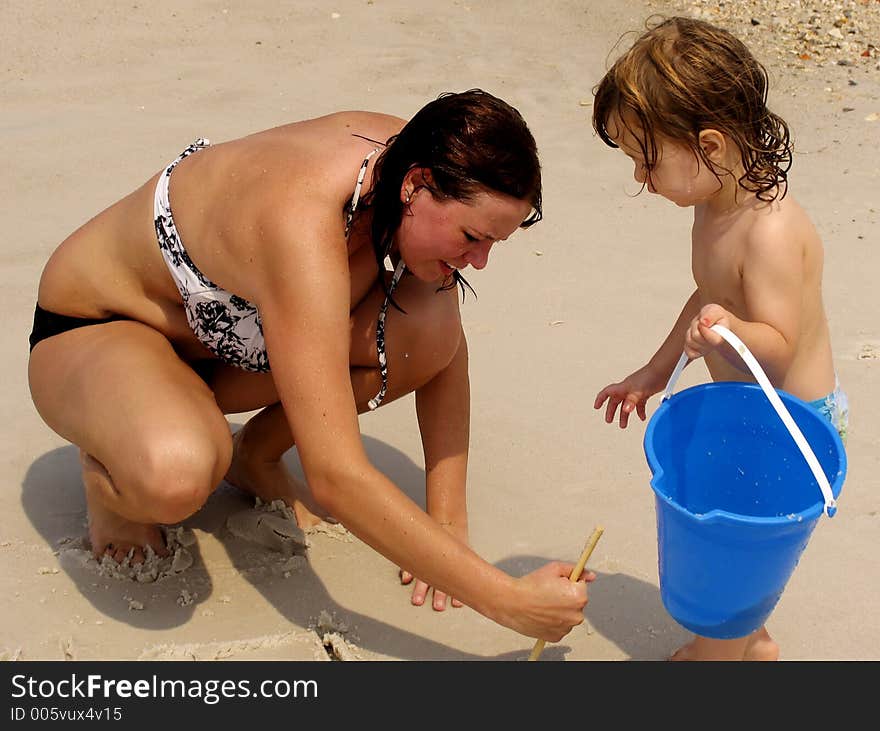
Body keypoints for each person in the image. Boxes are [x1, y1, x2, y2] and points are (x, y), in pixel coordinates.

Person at [28, 89, 594, 642]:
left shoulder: (431, 156)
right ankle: (111, 470)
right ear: (417, 185)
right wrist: (504, 600)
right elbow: (336, 475)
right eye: (473, 237)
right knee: (176, 475)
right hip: (103, 330)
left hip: (224, 343)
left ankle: (253, 454)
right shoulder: (304, 219)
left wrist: (447, 530)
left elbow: (445, 351)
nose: (481, 260)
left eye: (493, 242)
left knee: (427, 325)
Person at [590, 17, 848, 660]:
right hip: (747, 408)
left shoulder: (770, 233)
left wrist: (731, 330)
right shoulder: (715, 203)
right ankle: (753, 646)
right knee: (727, 542)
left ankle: (718, 658)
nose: (640, 178)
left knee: (728, 550)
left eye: (646, 159)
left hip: (793, 424)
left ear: (712, 144)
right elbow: (708, 298)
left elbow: (780, 343)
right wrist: (656, 370)